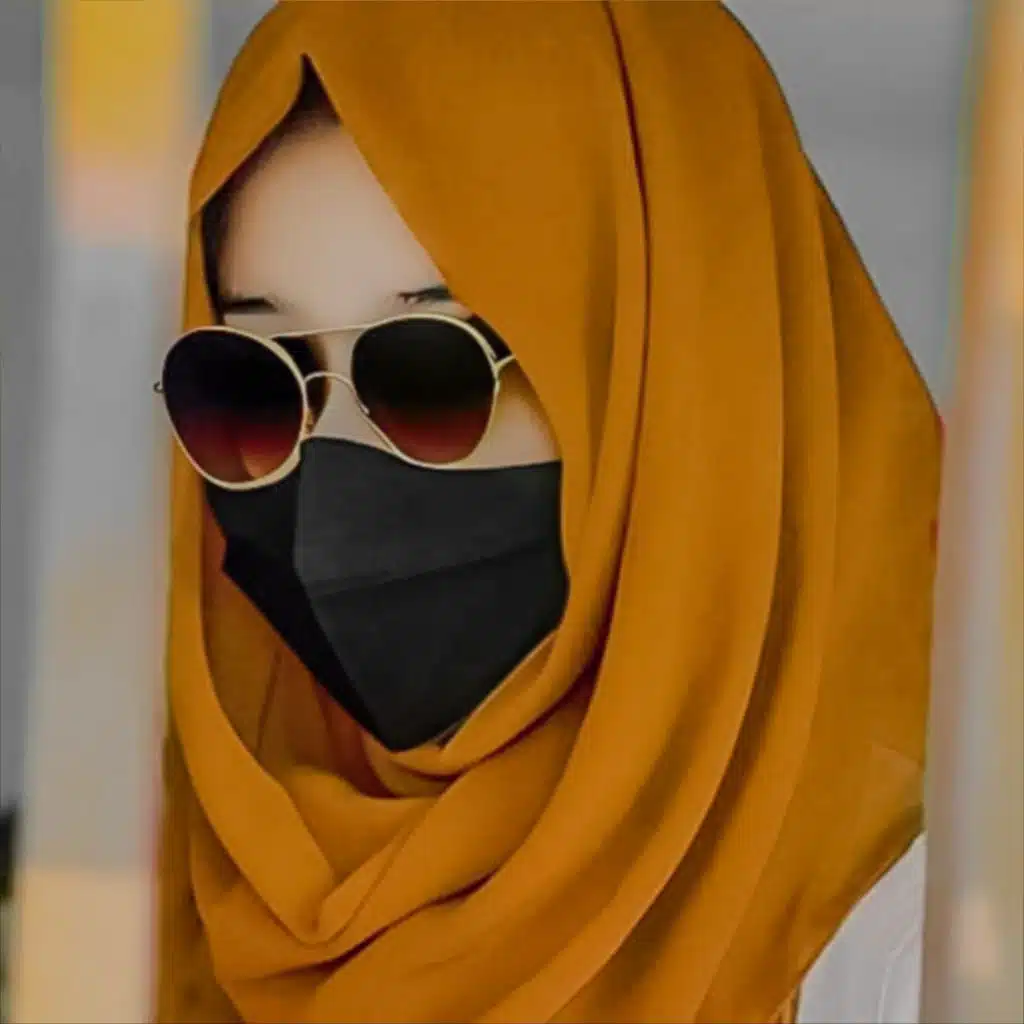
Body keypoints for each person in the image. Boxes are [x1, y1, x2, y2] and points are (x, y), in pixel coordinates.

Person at [155, 4, 942, 1022]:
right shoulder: (157, 912)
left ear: (674, 392)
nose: (330, 470)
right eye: (255, 380)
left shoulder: (928, 954)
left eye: (429, 370)